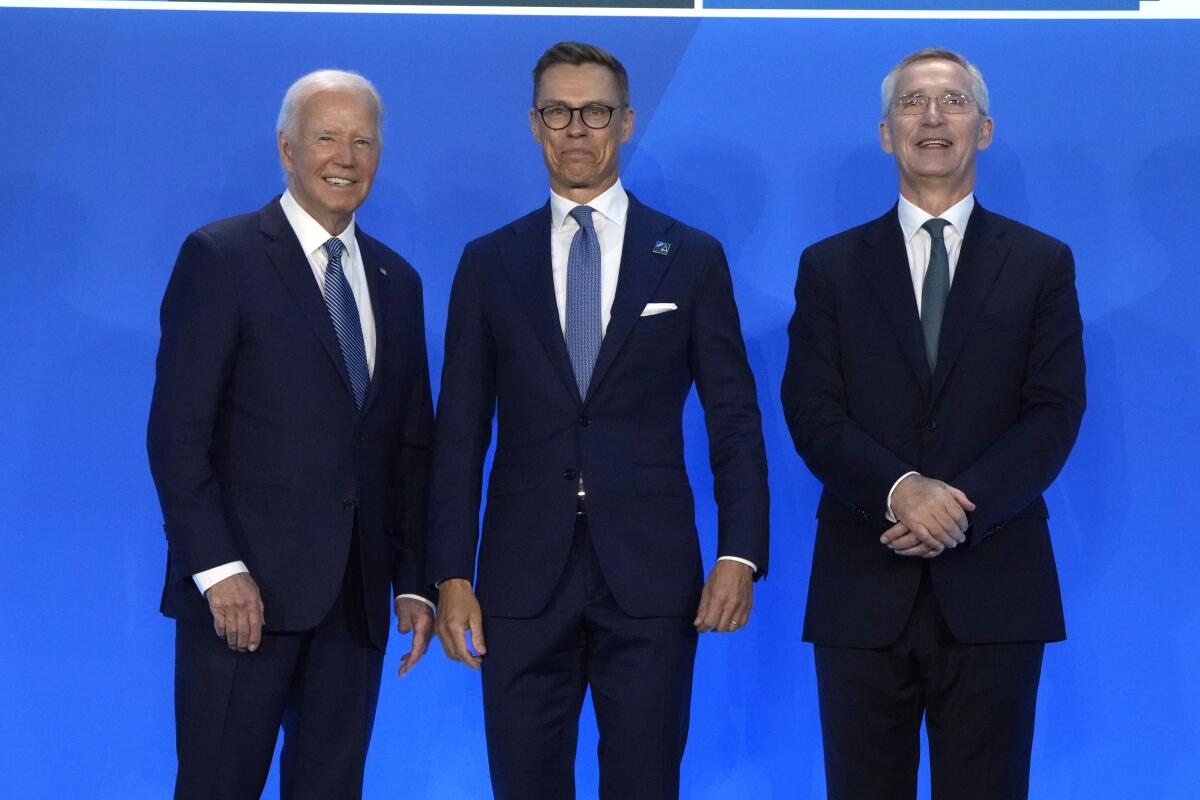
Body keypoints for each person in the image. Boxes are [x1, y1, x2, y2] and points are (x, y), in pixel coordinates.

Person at [427, 42, 770, 800]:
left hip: (650, 578)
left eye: (595, 112)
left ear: (625, 122)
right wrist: (451, 572)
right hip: (519, 579)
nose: (576, 130)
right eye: (558, 112)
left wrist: (740, 555)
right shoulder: (488, 263)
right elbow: (457, 431)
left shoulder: (689, 256)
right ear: (534, 124)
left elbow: (734, 421)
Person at [781, 48, 1086, 800]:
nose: (931, 117)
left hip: (996, 584)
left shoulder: (1042, 264)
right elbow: (811, 410)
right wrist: (900, 488)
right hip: (863, 581)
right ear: (886, 134)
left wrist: (956, 507)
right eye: (913, 103)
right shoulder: (830, 266)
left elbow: (1054, 411)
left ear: (983, 130)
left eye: (951, 102)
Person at [147, 69, 435, 799]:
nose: (346, 156)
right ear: (286, 147)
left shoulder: (397, 281)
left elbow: (407, 445)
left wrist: (414, 581)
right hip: (243, 600)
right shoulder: (223, 258)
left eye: (363, 140)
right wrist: (217, 570)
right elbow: (177, 435)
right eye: (327, 136)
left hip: (356, 602)